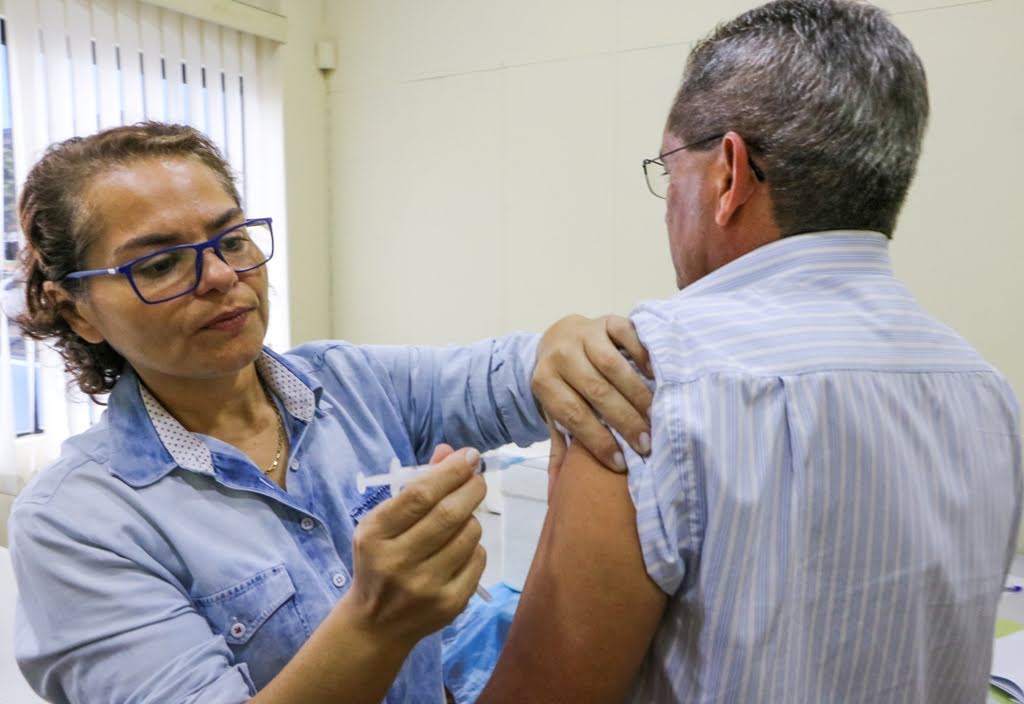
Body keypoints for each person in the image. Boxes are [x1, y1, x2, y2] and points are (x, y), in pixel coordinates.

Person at [479, 1, 1023, 702]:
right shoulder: (986, 392)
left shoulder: (645, 380)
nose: (666, 204)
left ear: (729, 174)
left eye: (669, 170)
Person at [6, 121, 654, 703]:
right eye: (162, 263)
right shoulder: (78, 523)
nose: (222, 276)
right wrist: (375, 622)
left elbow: (507, 375)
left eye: (232, 239)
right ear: (78, 311)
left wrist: (563, 345)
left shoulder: (349, 383)